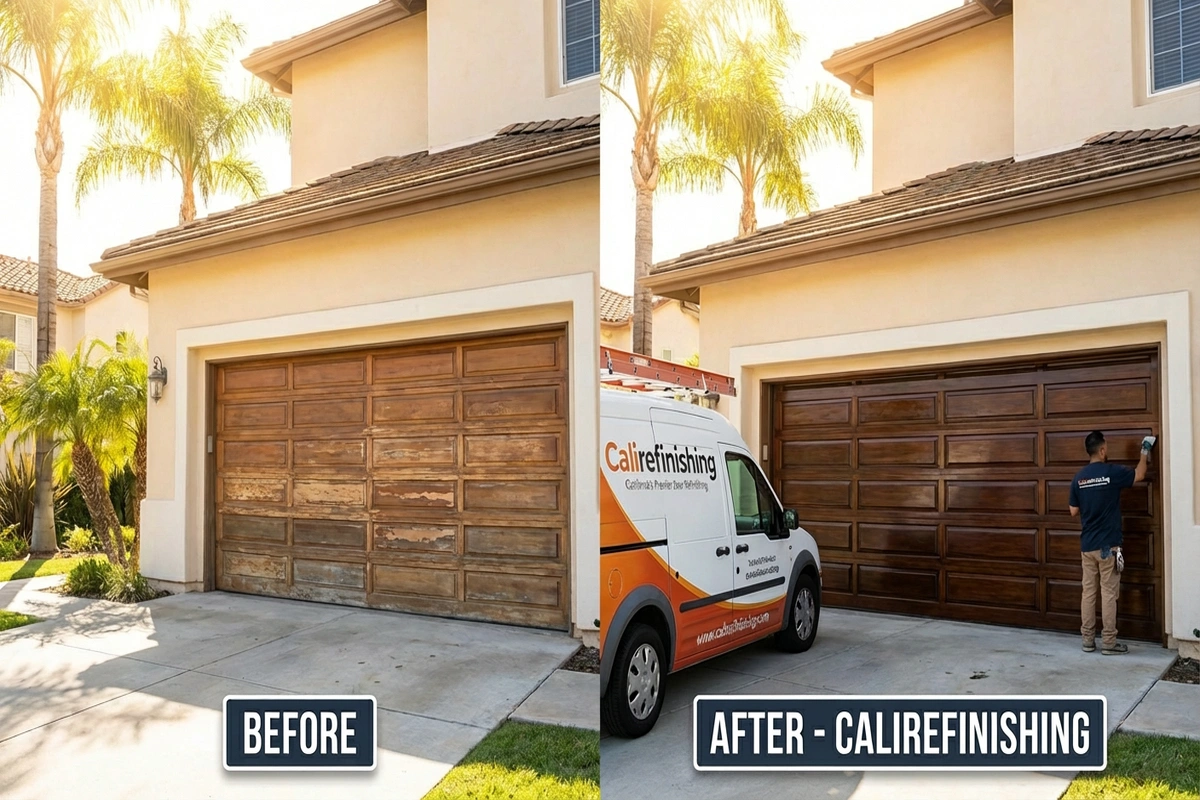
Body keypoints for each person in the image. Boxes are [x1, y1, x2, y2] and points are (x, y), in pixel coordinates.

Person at [1068, 431, 1151, 655]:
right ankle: (1109, 643)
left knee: (1088, 593)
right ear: (1102, 450)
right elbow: (1140, 475)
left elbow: (1073, 511)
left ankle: (1087, 640)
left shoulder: (1079, 478)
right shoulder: (1111, 472)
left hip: (1088, 546)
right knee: (1108, 593)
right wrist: (1145, 450)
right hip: (1108, 546)